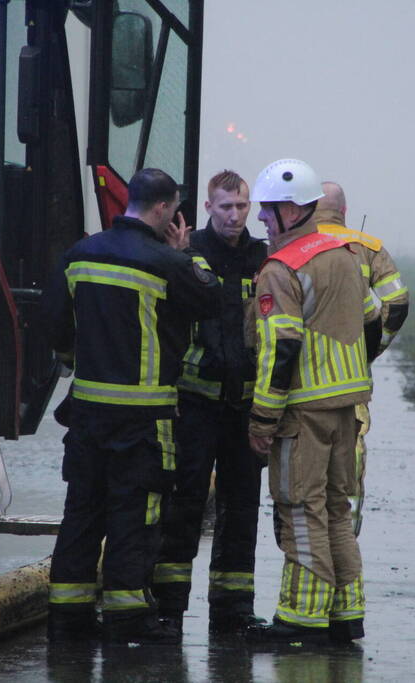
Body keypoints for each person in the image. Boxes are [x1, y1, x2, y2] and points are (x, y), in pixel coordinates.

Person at [40, 168, 221, 644]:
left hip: (86, 414)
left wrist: (79, 360)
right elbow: (210, 299)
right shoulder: (168, 263)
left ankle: (68, 615)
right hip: (144, 419)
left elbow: (56, 328)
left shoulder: (80, 255)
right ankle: (127, 619)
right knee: (134, 517)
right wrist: (187, 254)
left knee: (81, 513)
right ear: (163, 209)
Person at [244, 159, 379, 645]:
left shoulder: (281, 269)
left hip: (301, 410)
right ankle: (347, 614)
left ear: (293, 211)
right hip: (347, 404)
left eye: (268, 210)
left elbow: (280, 348)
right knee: (338, 509)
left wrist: (263, 418)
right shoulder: (344, 253)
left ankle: (299, 620)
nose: (261, 219)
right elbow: (373, 318)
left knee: (301, 509)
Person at [152, 170, 268, 634]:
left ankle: (233, 611)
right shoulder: (188, 252)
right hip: (194, 405)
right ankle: (168, 608)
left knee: (241, 510)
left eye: (241, 206)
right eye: (225, 206)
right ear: (207, 208)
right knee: (183, 506)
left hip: (243, 406)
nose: (234, 215)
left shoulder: (263, 257)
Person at [315, 181, 409, 535]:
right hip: (352, 382)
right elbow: (397, 302)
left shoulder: (293, 244)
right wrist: (373, 347)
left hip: (300, 382)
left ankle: (305, 548)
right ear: (345, 212)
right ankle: (345, 540)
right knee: (348, 468)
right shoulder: (369, 248)